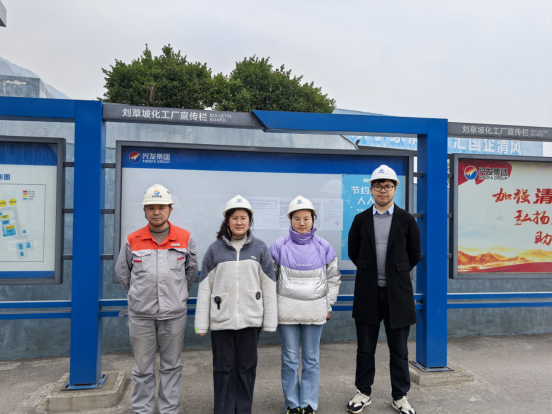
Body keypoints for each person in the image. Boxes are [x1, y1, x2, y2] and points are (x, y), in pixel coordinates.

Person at [115, 184, 198, 414]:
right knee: (142, 367)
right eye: (151, 207)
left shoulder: (185, 238)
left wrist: (177, 295)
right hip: (141, 316)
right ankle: (142, 410)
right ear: (144, 210)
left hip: (174, 315)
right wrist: (138, 295)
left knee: (171, 366)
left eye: (161, 207)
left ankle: (168, 410)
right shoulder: (133, 239)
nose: (156, 212)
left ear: (170, 209)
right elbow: (123, 273)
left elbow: (190, 273)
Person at [346, 165, 421, 414]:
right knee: (365, 348)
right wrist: (370, 271)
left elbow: (414, 254)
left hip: (397, 295)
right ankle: (363, 393)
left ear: (395, 189)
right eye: (378, 186)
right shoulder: (360, 220)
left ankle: (400, 396)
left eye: (388, 186)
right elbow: (353, 251)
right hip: (368, 293)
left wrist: (395, 273)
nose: (383, 190)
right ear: (371, 189)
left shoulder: (406, 220)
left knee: (399, 350)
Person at [194, 195, 278, 414]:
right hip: (222, 321)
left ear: (250, 221)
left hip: (250, 321)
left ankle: (243, 409)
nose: (239, 222)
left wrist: (270, 321)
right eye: (234, 218)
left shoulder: (260, 248)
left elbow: (269, 286)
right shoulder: (215, 250)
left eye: (243, 218)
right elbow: (205, 288)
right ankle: (223, 410)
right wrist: (201, 324)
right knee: (223, 369)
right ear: (227, 221)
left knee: (246, 368)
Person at [270, 196, 341, 414]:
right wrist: (272, 309)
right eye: (297, 218)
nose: (302, 223)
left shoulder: (324, 247)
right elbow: (270, 280)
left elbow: (333, 278)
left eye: (306, 218)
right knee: (290, 360)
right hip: (286, 312)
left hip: (315, 311)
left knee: (311, 360)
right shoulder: (278, 246)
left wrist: (328, 305)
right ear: (290, 220)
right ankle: (292, 404)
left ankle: (308, 403)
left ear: (313, 220)